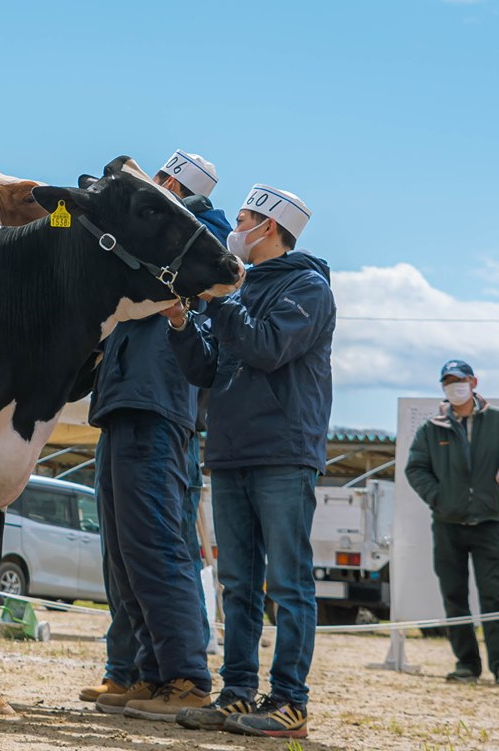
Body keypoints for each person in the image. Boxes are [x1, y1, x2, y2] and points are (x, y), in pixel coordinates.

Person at [166, 185, 333, 740]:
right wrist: (182, 323)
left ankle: (290, 702)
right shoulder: (241, 289)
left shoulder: (307, 288)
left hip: (285, 451)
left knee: (287, 583)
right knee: (238, 583)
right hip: (232, 450)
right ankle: (236, 694)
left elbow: (264, 347)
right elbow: (208, 370)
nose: (233, 229)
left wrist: (223, 297)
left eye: (241, 220)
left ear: (268, 228)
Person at [84, 150, 230, 721]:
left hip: (158, 400)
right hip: (124, 398)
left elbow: (198, 244)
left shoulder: (204, 228)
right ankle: (148, 674)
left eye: (161, 186)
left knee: (157, 544)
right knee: (124, 551)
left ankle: (186, 676)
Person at [403, 360, 499, 686]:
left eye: (460, 380)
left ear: (474, 381)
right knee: (454, 595)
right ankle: (466, 664)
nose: (455, 387)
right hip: (446, 523)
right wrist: (438, 496)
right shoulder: (431, 427)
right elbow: (415, 468)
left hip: (487, 522)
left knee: (493, 594)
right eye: (448, 382)